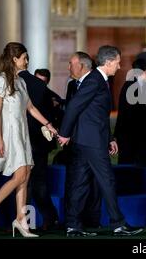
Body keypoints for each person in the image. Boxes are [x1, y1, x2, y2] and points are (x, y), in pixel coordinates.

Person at [58, 46, 143, 237]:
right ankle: (118, 224)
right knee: (107, 181)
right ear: (108, 62)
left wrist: (110, 138)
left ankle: (73, 226)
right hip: (91, 143)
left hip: (87, 141)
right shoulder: (95, 80)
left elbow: (96, 115)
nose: (119, 66)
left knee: (79, 183)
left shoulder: (97, 80)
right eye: (118, 62)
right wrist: (64, 133)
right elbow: (74, 105)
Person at [0, 42, 57, 237]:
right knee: (19, 176)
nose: (27, 61)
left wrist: (48, 125)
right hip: (9, 134)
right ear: (14, 59)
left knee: (26, 174)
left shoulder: (20, 81)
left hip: (23, 132)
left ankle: (21, 220)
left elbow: (31, 108)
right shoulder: (1, 81)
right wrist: (0, 139)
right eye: (24, 58)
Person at [59, 51, 102, 230]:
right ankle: (73, 224)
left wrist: (110, 138)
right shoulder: (72, 85)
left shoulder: (96, 82)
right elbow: (70, 110)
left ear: (82, 66)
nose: (68, 67)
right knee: (76, 184)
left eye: (71, 63)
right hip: (76, 142)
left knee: (93, 185)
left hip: (91, 141)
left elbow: (100, 115)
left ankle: (91, 223)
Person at [19, 65, 59, 231]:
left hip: (36, 143)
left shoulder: (47, 95)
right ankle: (28, 221)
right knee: (27, 184)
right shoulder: (32, 89)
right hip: (28, 141)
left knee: (36, 184)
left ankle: (49, 218)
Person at [115, 58, 146, 166]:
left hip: (140, 134)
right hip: (130, 135)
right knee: (128, 166)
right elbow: (136, 111)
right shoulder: (131, 86)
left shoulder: (142, 85)